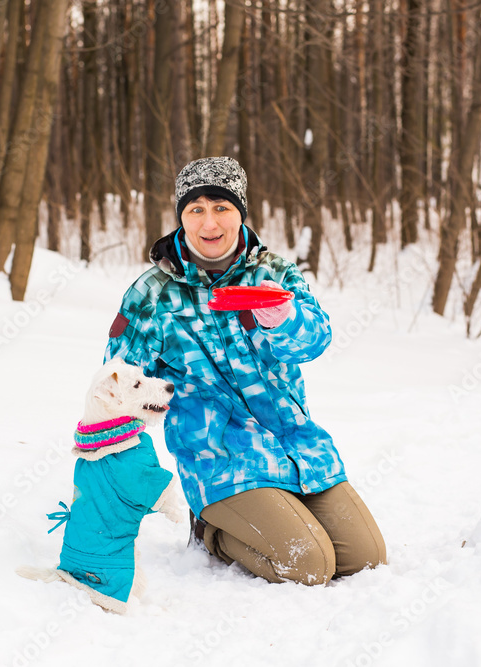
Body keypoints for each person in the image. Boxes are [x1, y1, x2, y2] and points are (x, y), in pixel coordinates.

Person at [104, 156, 386, 585]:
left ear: (240, 212)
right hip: (220, 458)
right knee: (309, 566)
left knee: (365, 559)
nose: (209, 222)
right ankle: (212, 531)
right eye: (195, 209)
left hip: (296, 444)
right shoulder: (154, 293)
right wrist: (113, 464)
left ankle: (279, 509)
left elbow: (315, 342)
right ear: (182, 217)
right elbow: (118, 379)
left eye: (221, 207)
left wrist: (283, 317)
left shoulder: (273, 274)